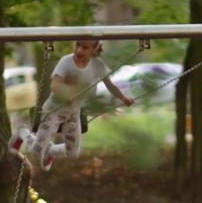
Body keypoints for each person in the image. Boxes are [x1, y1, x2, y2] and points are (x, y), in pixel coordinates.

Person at [9, 40, 135, 171]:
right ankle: (22, 132)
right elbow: (55, 84)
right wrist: (65, 94)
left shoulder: (97, 65)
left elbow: (110, 85)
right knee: (36, 151)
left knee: (72, 153)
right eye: (78, 45)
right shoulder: (66, 61)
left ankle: (50, 151)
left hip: (73, 113)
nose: (79, 50)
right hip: (54, 110)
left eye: (85, 47)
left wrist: (124, 98)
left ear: (93, 50)